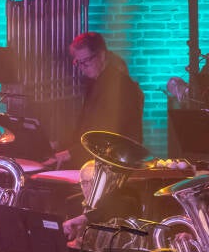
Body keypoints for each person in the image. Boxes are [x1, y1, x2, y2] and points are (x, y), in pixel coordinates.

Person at [45, 32, 143, 170]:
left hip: (114, 167)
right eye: (78, 62)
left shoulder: (120, 87)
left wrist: (71, 153)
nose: (82, 67)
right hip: (95, 162)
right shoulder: (95, 83)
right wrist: (59, 145)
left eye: (86, 61)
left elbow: (109, 135)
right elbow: (86, 130)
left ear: (102, 55)